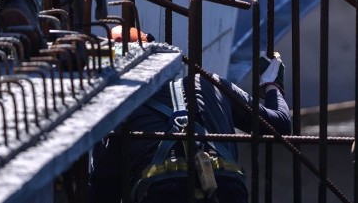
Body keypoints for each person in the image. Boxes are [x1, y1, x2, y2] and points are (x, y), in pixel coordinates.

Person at [89, 54, 291, 202]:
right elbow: (280, 124)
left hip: (162, 192)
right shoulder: (211, 83)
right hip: (225, 187)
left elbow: (104, 188)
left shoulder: (119, 106)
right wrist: (272, 85)